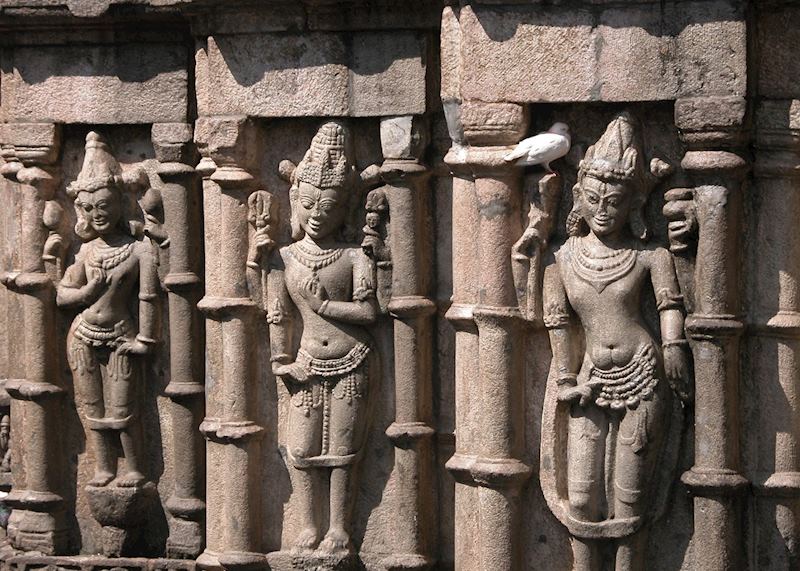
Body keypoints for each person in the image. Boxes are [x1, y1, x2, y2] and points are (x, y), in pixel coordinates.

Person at [543, 113, 691, 570]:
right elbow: (558, 324)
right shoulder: (562, 259)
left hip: (643, 377)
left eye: (615, 201)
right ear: (579, 198)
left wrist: (674, 347)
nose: (603, 211)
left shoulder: (650, 256)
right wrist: (565, 379)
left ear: (635, 204)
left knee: (630, 497)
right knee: (582, 496)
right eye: (593, 200)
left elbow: (669, 306)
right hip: (588, 380)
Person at [269, 121, 378, 554]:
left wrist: (326, 306)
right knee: (301, 448)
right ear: (295, 199)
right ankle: (308, 525)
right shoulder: (284, 258)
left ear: (346, 208)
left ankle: (338, 528)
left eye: (328, 206)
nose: (317, 214)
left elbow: (368, 312)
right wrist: (281, 361)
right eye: (309, 203)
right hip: (307, 362)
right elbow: (277, 316)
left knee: (343, 450)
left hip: (352, 360)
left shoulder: (354, 256)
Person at [57, 132, 159, 488]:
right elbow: (62, 297)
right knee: (92, 408)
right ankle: (103, 466)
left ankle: (134, 468)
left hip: (120, 335)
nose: (96, 215)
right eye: (88, 208)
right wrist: (88, 291)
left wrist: (145, 339)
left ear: (120, 202)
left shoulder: (138, 250)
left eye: (103, 206)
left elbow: (148, 297)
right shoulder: (86, 252)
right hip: (83, 335)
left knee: (124, 409)